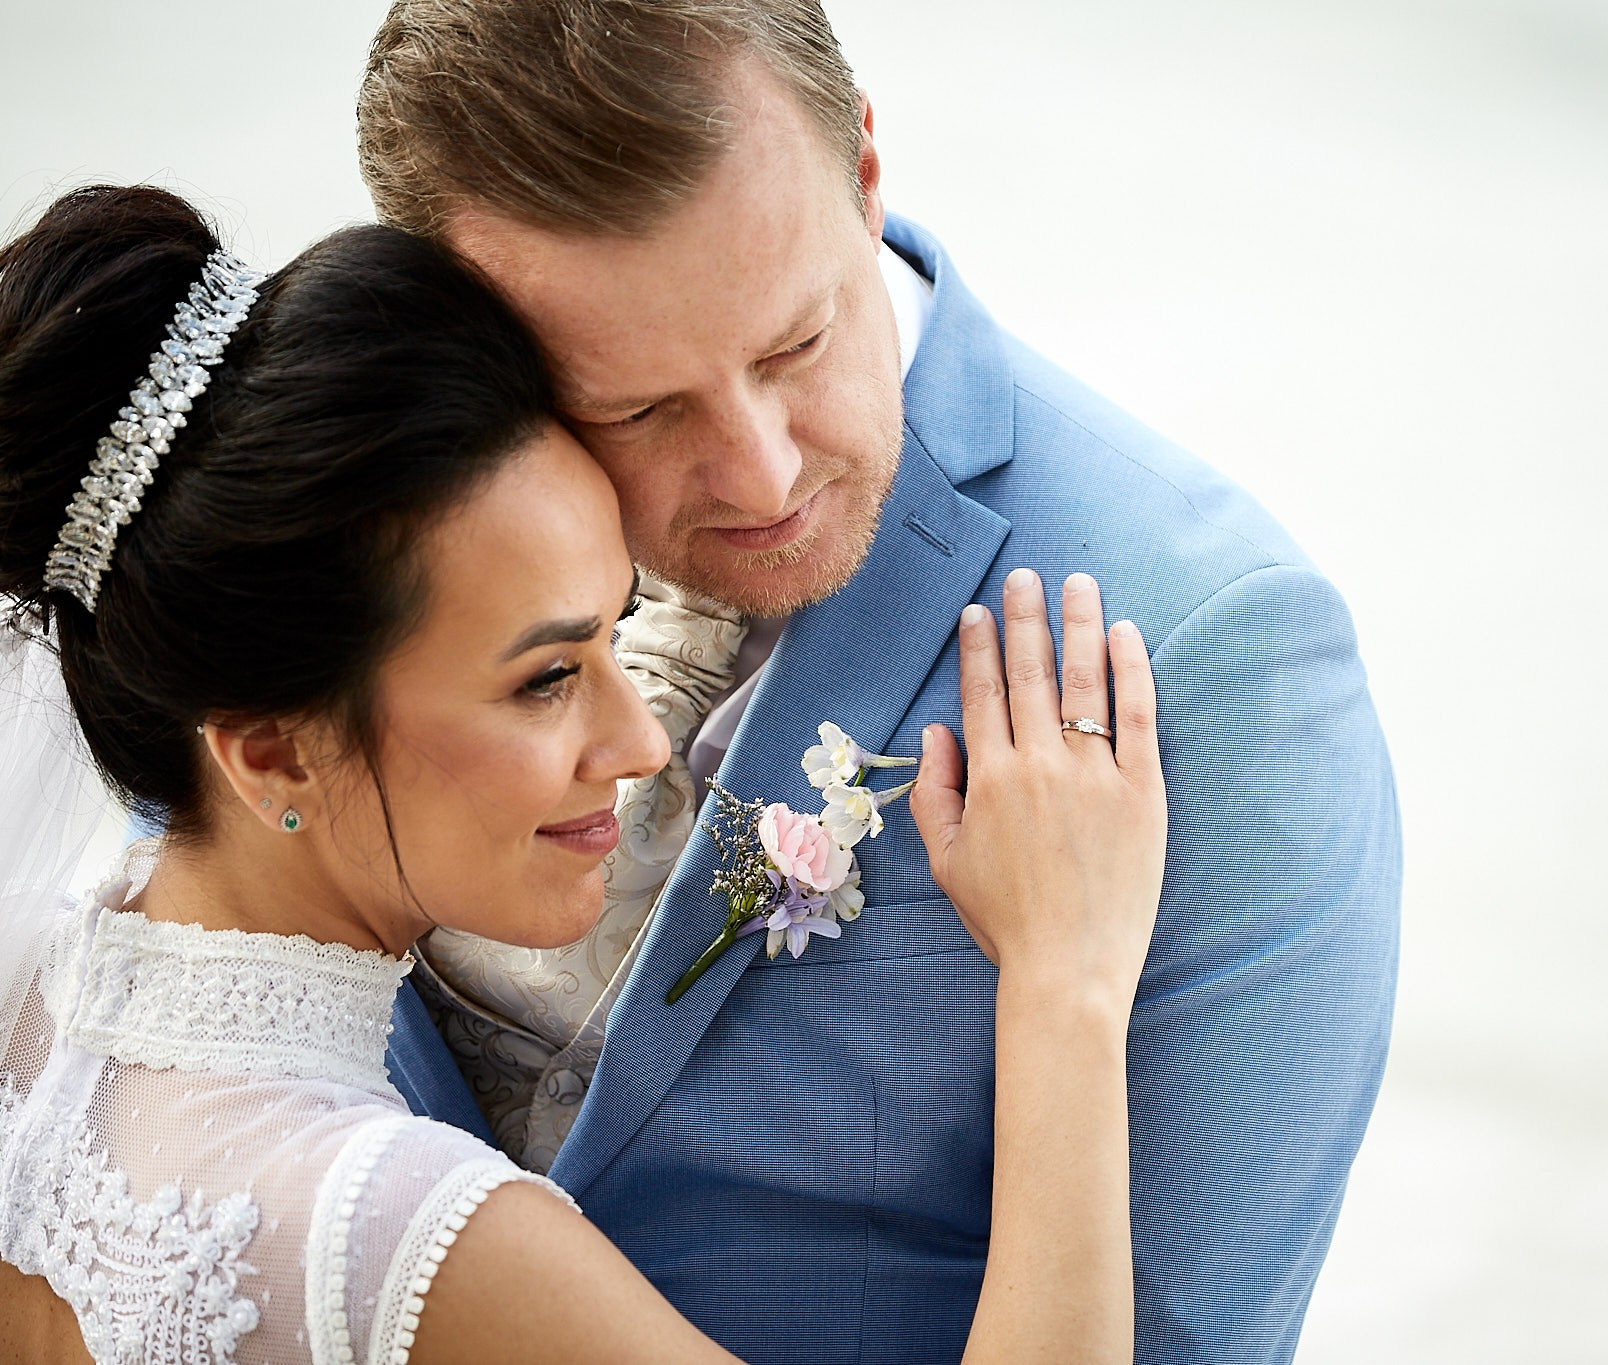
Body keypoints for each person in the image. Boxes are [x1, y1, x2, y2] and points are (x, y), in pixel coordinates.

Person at [357, 3, 1401, 1362]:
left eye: (797, 345)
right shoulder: (364, 548)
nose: (764, 474)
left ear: (861, 168)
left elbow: (1182, 1339)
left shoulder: (1215, 645)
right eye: (636, 408)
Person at [0, 184, 1165, 1363]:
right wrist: (1064, 985)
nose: (643, 743)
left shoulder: (23, 1008)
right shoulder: (412, 1239)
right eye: (547, 678)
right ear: (272, 750)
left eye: (621, 627)